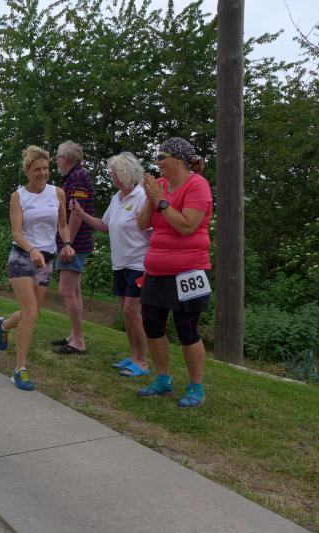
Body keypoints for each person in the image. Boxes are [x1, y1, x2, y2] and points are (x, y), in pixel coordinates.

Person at [136, 137, 213, 408]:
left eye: (162, 157)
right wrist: (151, 199)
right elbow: (142, 224)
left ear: (178, 160)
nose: (157, 162)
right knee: (151, 325)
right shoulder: (160, 186)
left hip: (189, 271)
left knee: (187, 329)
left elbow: (187, 226)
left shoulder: (197, 185)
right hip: (156, 269)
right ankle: (163, 379)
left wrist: (161, 201)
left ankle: (196, 387)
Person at [0, 146, 75, 391]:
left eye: (46, 168)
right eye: (37, 169)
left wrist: (67, 244)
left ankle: (4, 326)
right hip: (22, 256)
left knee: (32, 312)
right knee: (30, 312)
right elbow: (16, 233)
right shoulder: (18, 197)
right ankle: (19, 369)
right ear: (27, 171)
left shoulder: (57, 193)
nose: (42, 173)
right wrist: (31, 250)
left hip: (46, 259)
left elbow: (63, 226)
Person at [70, 152, 151, 376]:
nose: (110, 175)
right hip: (120, 264)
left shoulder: (142, 197)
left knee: (132, 311)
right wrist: (81, 214)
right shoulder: (117, 197)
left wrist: (152, 263)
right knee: (127, 313)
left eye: (113, 172)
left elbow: (154, 232)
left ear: (125, 173)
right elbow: (105, 225)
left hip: (138, 263)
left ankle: (142, 361)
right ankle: (133, 356)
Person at [51, 141, 95, 355]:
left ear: (65, 158)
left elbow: (76, 214)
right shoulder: (75, 177)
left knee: (66, 291)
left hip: (75, 243)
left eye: (58, 157)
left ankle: (78, 340)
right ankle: (74, 335)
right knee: (74, 290)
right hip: (76, 242)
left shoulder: (77, 178)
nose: (56, 161)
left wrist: (67, 244)